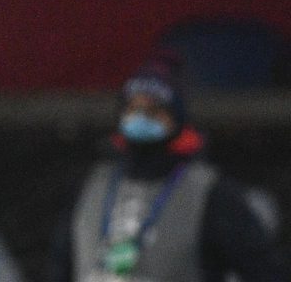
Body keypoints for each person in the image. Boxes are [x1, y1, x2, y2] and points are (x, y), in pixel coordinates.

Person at [47, 51, 289, 282]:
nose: (141, 118)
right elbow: (60, 269)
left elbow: (263, 271)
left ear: (177, 118)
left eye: (154, 111)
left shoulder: (210, 195)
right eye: (133, 109)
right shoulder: (89, 188)